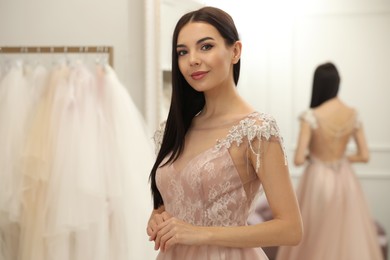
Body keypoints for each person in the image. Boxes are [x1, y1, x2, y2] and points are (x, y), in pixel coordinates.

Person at [146, 6, 303, 260]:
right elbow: (177, 198)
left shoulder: (256, 131)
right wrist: (158, 217)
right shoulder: (174, 129)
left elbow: (291, 229)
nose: (192, 59)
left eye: (205, 46)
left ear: (235, 51)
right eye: (182, 52)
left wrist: (200, 233)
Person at [276, 62, 384, 260]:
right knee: (346, 233)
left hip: (318, 179)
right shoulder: (353, 114)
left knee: (315, 232)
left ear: (317, 85)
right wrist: (341, 158)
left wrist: (314, 156)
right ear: (338, 83)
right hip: (346, 179)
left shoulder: (311, 116)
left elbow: (299, 159)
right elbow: (364, 156)